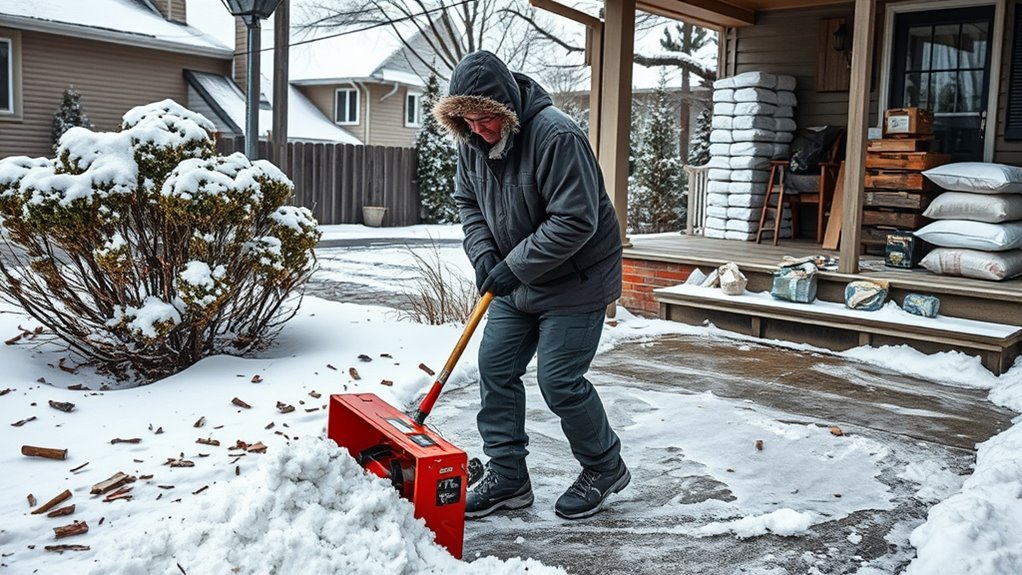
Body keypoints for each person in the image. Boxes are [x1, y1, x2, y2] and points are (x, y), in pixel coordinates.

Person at [433, 50, 628, 520]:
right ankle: (508, 477)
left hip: (577, 278)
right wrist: (484, 255)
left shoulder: (556, 135)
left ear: (506, 111)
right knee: (495, 367)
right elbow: (468, 204)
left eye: (486, 120)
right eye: (467, 121)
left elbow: (575, 219)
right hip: (517, 280)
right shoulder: (471, 141)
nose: (477, 130)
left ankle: (604, 466)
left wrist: (512, 266)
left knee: (558, 379)